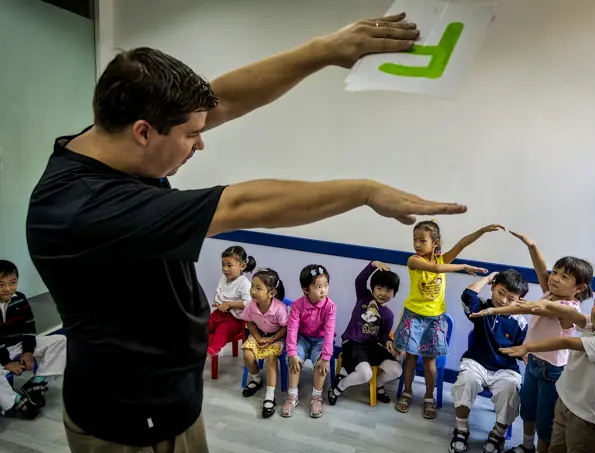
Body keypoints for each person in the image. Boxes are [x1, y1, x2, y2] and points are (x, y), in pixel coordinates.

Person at [25, 11, 468, 451]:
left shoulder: (112, 140)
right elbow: (241, 203)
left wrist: (326, 51)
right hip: (125, 422)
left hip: (170, 402)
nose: (201, 142)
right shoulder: (85, 209)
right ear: (144, 132)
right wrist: (366, 192)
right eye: (192, 135)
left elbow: (221, 100)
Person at [491, 283, 595, 453]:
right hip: (566, 403)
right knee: (556, 448)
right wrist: (543, 303)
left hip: (588, 417)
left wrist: (528, 347)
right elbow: (572, 314)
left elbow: (565, 342)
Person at [393, 222, 501, 420]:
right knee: (410, 358)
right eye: (414, 239)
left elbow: (461, 244)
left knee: (430, 363)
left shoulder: (443, 258)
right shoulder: (413, 260)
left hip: (434, 319)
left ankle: (428, 397)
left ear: (435, 243)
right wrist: (464, 266)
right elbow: (435, 268)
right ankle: (407, 392)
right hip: (413, 316)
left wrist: (481, 230)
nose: (417, 244)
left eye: (422, 240)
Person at [500, 231, 594, 453]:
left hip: (553, 371)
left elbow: (549, 309)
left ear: (579, 288)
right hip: (533, 361)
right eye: (556, 272)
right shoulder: (548, 293)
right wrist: (531, 246)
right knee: (528, 409)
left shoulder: (570, 309)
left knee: (546, 419)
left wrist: (529, 305)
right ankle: (526, 445)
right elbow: (541, 270)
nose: (555, 278)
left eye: (564, 277)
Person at [450, 269, 530, 453]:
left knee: (511, 390)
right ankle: (461, 429)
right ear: (493, 287)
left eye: (511, 299)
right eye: (500, 293)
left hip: (505, 369)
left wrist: (523, 353)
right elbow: (467, 295)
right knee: (466, 381)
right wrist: (487, 278)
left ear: (519, 301)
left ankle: (498, 434)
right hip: (476, 361)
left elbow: (519, 348)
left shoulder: (520, 322)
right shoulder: (483, 308)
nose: (503, 300)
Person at [329, 260, 402, 406]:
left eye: (388, 290)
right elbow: (360, 280)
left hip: (372, 347)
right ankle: (338, 387)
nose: (383, 293)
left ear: (394, 293)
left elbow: (384, 335)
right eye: (380, 288)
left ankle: (378, 384)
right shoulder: (364, 297)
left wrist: (389, 342)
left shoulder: (389, 315)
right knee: (365, 374)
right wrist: (373, 265)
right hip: (353, 343)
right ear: (373, 288)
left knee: (396, 370)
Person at [0, 260, 66, 419]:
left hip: (19, 345)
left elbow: (29, 328)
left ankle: (36, 383)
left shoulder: (20, 299)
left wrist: (28, 351)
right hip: (1, 351)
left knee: (61, 340)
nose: (8, 288)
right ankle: (16, 401)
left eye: (12, 282)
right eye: (1, 284)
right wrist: (7, 362)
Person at [282, 265, 336, 419]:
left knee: (320, 362)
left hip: (320, 340)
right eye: (318, 287)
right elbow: (292, 330)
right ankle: (292, 396)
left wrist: (325, 357)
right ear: (306, 290)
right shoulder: (297, 306)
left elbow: (329, 333)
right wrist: (292, 353)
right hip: (302, 338)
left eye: (326, 285)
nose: (323, 290)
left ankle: (317, 396)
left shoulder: (330, 307)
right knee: (294, 360)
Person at [240, 268, 288, 419]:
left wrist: (272, 339)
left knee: (271, 359)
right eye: (252, 286)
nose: (253, 291)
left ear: (271, 293)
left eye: (258, 288)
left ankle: (270, 395)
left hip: (276, 337)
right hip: (259, 335)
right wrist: (258, 338)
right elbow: (250, 323)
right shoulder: (250, 305)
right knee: (247, 354)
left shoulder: (279, 308)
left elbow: (285, 327)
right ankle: (257, 379)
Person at [208, 246, 255, 357]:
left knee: (221, 334)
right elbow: (219, 294)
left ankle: (214, 350)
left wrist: (229, 305)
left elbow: (248, 304)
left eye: (229, 265)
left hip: (234, 320)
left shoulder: (244, 283)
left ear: (242, 266)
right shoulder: (223, 278)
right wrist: (217, 302)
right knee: (201, 328)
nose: (225, 269)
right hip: (218, 314)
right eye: (223, 264)